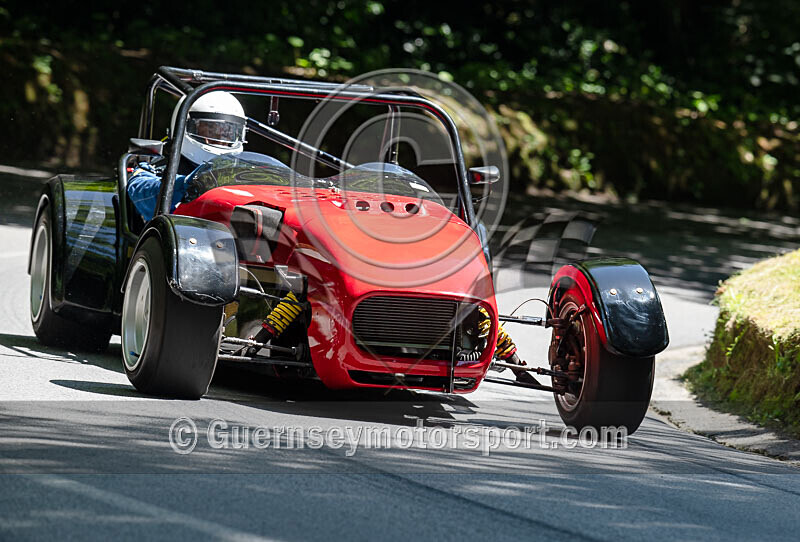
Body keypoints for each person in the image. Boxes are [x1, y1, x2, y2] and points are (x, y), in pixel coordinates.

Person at [127, 91, 247, 221]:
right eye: (211, 129)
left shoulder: (239, 171)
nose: (221, 138)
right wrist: (186, 184)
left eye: (228, 131)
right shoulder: (160, 165)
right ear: (186, 126)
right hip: (178, 231)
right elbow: (140, 190)